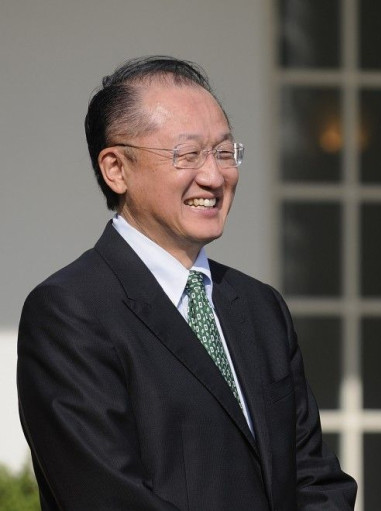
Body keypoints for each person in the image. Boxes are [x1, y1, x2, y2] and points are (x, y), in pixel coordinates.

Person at [17, 56, 357, 511]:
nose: (214, 176)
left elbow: (315, 477)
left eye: (223, 151)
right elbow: (109, 497)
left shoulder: (259, 307)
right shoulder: (71, 312)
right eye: (188, 154)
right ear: (116, 168)